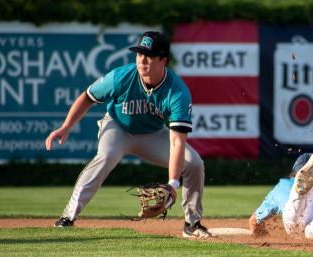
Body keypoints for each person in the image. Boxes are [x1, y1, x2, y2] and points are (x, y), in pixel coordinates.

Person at [45, 31, 211, 238]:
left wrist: (172, 184)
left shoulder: (177, 92)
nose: (142, 60)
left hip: (153, 134)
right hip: (117, 128)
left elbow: (177, 142)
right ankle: (67, 217)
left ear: (163, 60)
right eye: (139, 54)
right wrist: (67, 125)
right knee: (106, 156)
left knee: (194, 163)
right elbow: (87, 96)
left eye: (149, 55)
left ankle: (192, 224)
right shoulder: (121, 76)